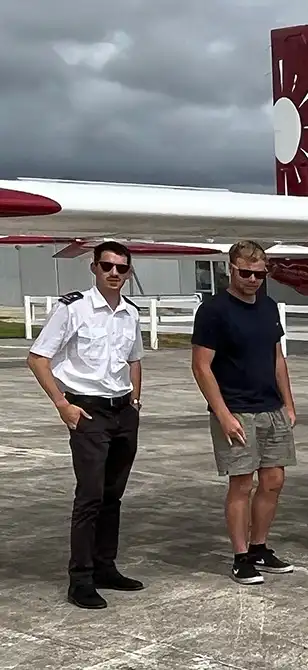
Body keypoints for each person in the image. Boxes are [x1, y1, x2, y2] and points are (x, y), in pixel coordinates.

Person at [27, 242, 145, 609]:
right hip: (88, 411)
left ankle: (104, 567)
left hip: (123, 411)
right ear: (94, 268)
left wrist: (136, 402)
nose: (114, 274)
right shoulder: (72, 308)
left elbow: (134, 358)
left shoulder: (130, 313)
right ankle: (80, 579)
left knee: (113, 495)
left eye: (122, 269)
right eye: (107, 266)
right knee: (90, 495)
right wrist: (63, 405)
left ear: (128, 273)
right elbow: (37, 358)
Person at [191, 240, 298, 585]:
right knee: (242, 483)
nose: (253, 279)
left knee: (273, 480)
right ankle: (240, 557)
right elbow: (201, 366)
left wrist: (289, 404)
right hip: (236, 409)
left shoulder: (267, 307)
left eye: (259, 274)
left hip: (271, 408)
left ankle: (259, 547)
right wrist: (222, 414)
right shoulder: (214, 310)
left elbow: (276, 357)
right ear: (231, 269)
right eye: (246, 272)